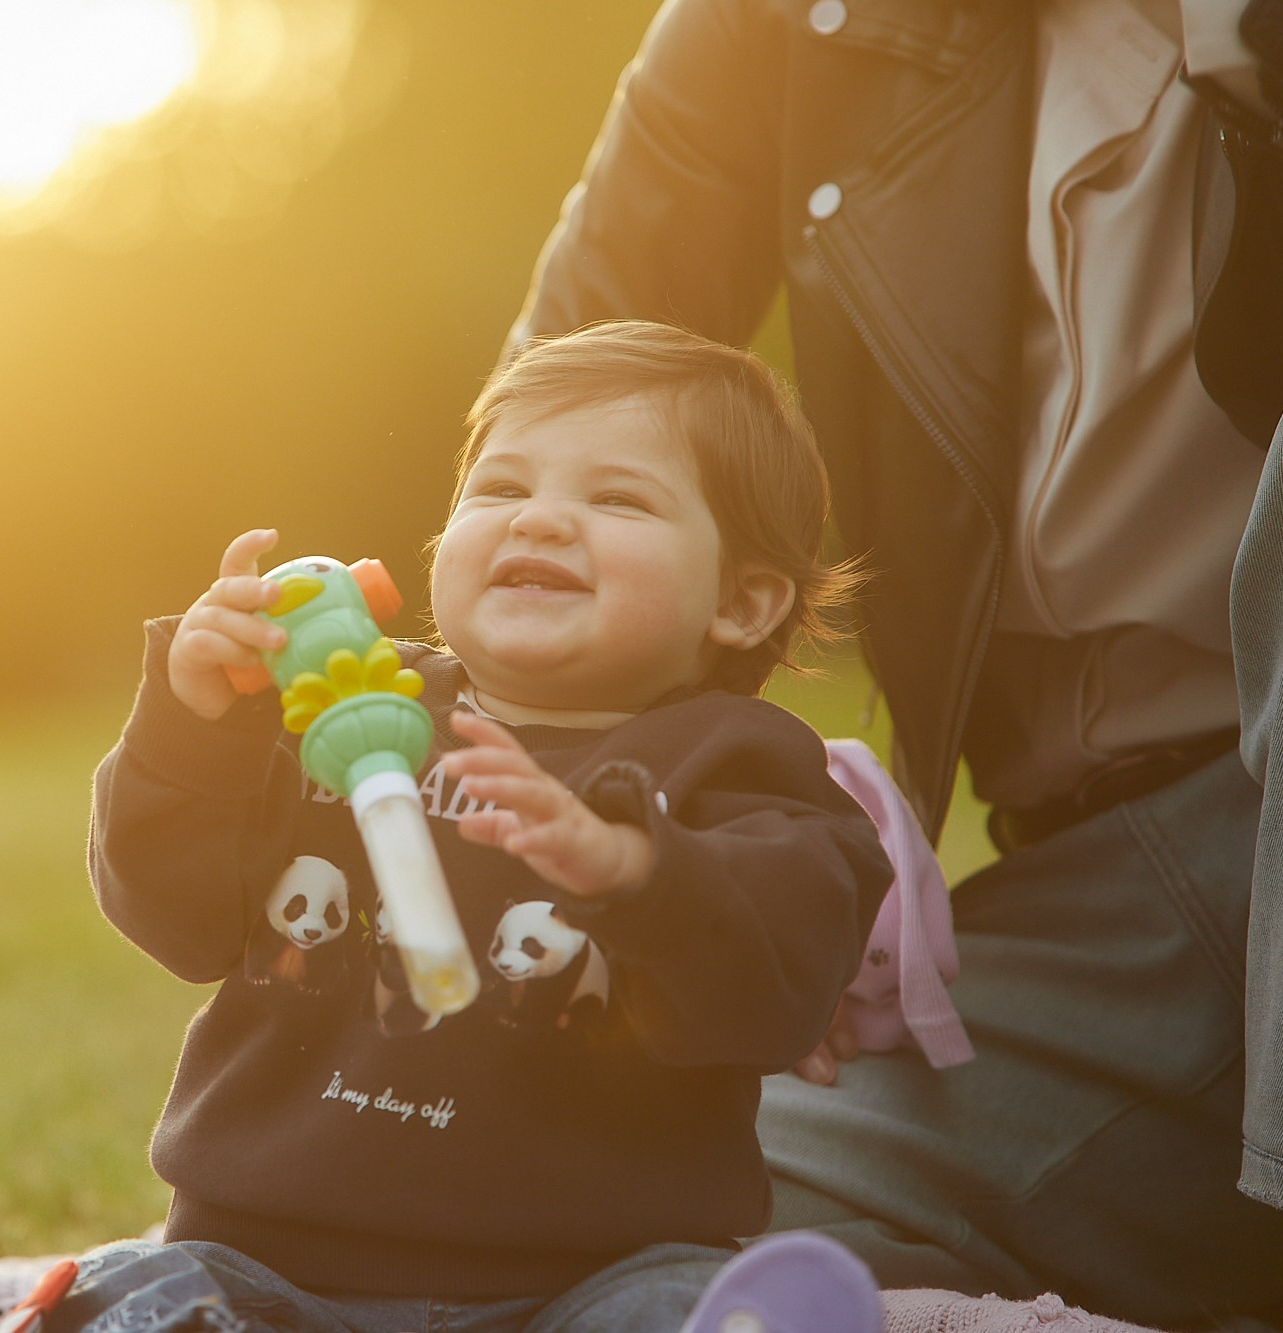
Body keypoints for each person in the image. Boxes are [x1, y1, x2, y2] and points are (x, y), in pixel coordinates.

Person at [507, 0, 1283, 1327]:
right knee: (570, 1209)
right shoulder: (785, 25)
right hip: (1097, 900)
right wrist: (736, 890)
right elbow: (558, 419)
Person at [77, 321, 896, 1333]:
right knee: (123, 1291)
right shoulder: (343, 706)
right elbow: (179, 916)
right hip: (267, 1264)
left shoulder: (737, 765)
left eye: (615, 498)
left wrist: (635, 867)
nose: (540, 521)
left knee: (691, 1314)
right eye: (501, 489)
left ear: (739, 601)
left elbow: (769, 991)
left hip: (586, 1278)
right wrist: (187, 729)